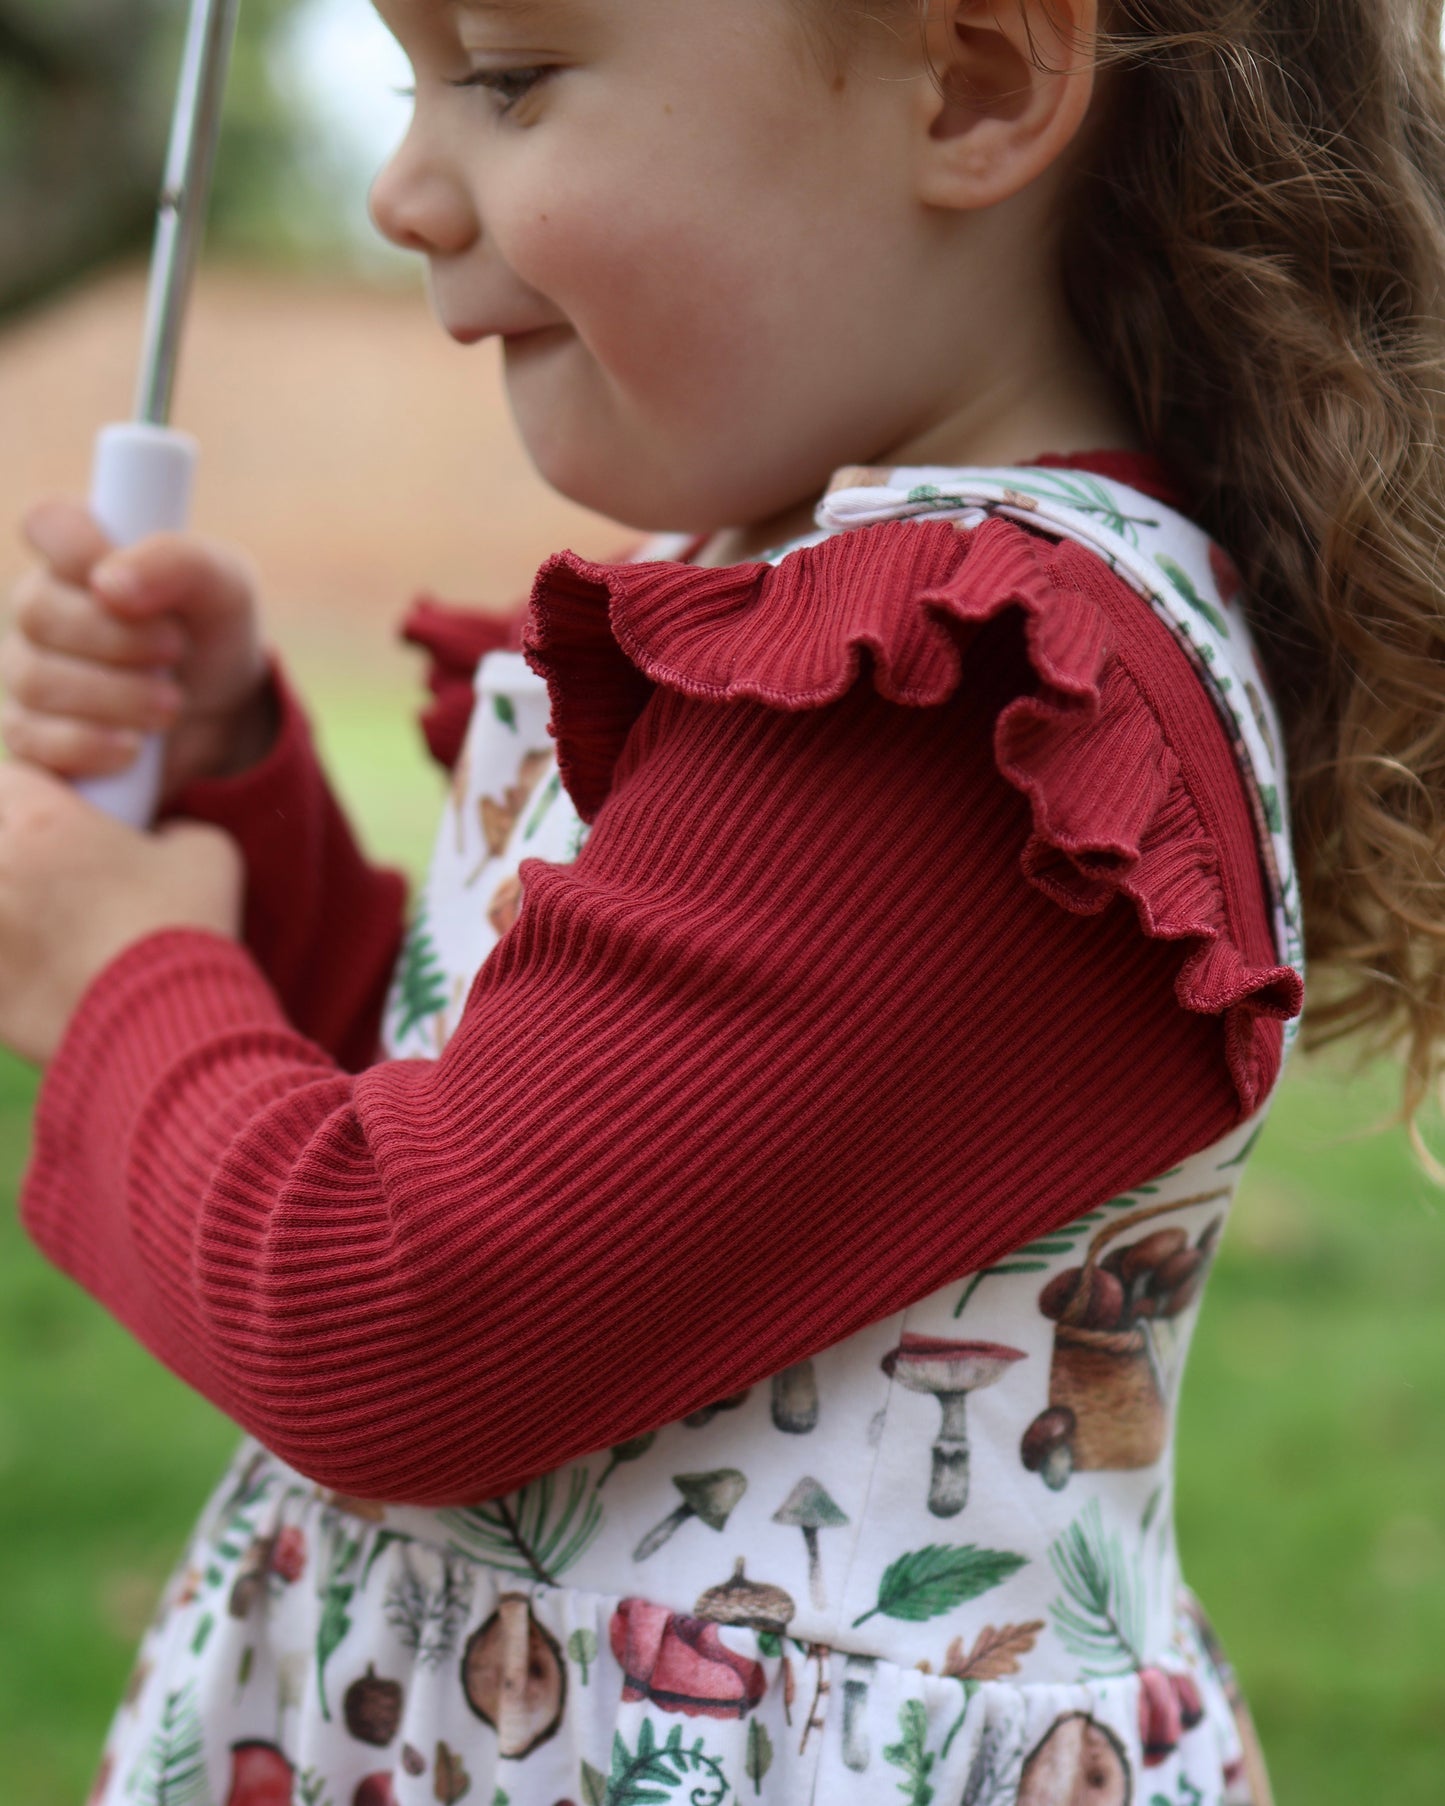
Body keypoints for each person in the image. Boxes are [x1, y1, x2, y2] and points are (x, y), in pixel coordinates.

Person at [2, 0, 1442, 1800]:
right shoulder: (818, 592)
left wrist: (123, 967)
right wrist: (235, 790)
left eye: (510, 81)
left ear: (977, 80)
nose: (398, 190)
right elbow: (530, 1136)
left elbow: (401, 1313)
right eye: (407, 81)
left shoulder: (954, 701)